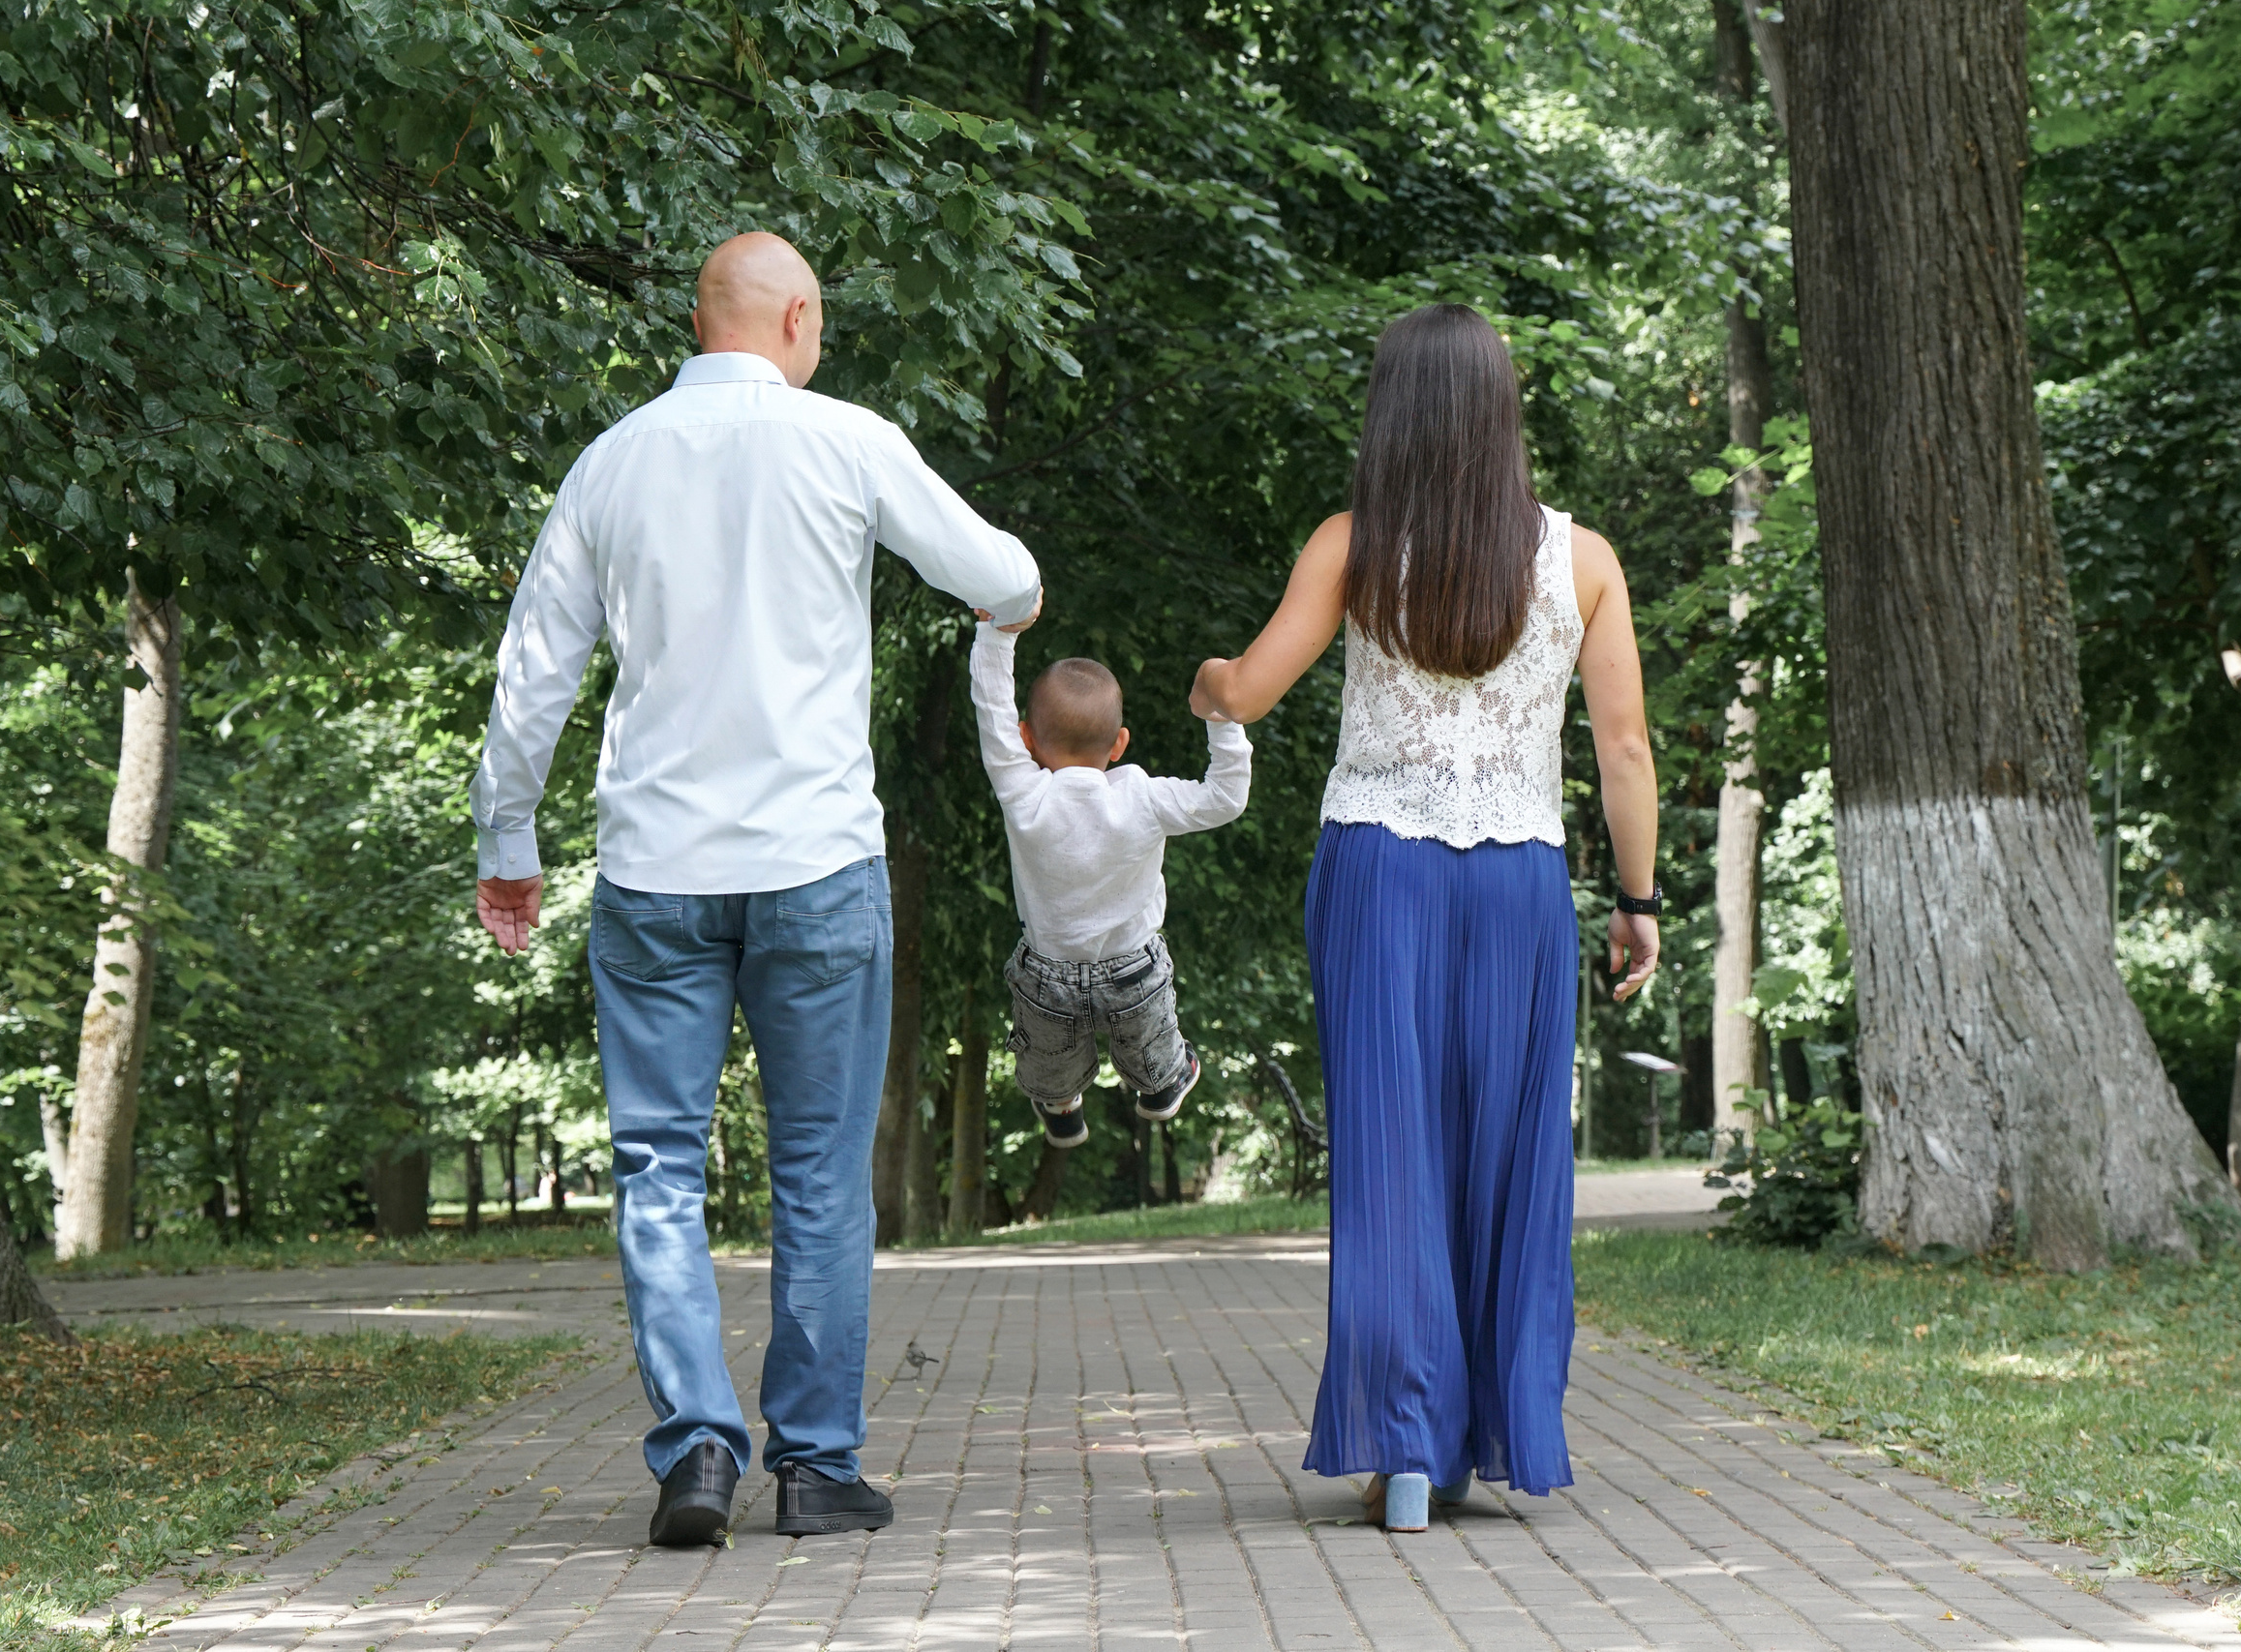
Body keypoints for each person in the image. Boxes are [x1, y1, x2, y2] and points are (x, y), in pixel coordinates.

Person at [467, 231, 1042, 1547]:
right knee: (822, 1173)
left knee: (657, 1167)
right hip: (817, 869)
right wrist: (1014, 612)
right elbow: (1002, 577)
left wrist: (510, 840)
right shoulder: (847, 442)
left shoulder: (611, 462)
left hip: (656, 875)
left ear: (694, 317)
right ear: (794, 318)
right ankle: (818, 1464)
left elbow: (534, 674)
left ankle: (696, 1451)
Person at [1187, 304, 1659, 1532]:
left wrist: (1206, 689)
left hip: (1378, 870)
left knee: (1392, 1151)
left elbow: (1251, 686)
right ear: (1503, 412)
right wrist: (1638, 900)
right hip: (1518, 884)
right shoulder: (1584, 561)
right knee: (1505, 1154)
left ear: (1391, 411)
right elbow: (1623, 751)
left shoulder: (1350, 547)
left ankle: (1403, 1449)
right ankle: (1490, 1433)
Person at [968, 618, 1250, 1149]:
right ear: (1119, 743)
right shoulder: (1142, 798)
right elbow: (1225, 798)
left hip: (1046, 969)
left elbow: (992, 708)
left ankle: (1059, 1104)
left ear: (1026, 739)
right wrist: (1221, 718)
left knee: (1050, 1061)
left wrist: (996, 635)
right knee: (1154, 1049)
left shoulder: (1022, 792)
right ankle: (1162, 1087)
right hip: (1133, 968)